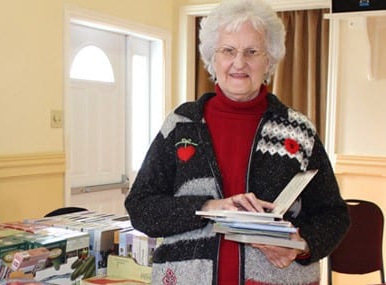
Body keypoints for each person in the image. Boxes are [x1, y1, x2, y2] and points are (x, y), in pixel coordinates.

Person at [124, 0, 350, 284]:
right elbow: (141, 208)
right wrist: (209, 207)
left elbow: (334, 214)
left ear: (269, 59)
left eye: (252, 51)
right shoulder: (181, 124)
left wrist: (301, 244)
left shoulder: (298, 130)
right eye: (228, 50)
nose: (239, 62)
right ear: (212, 58)